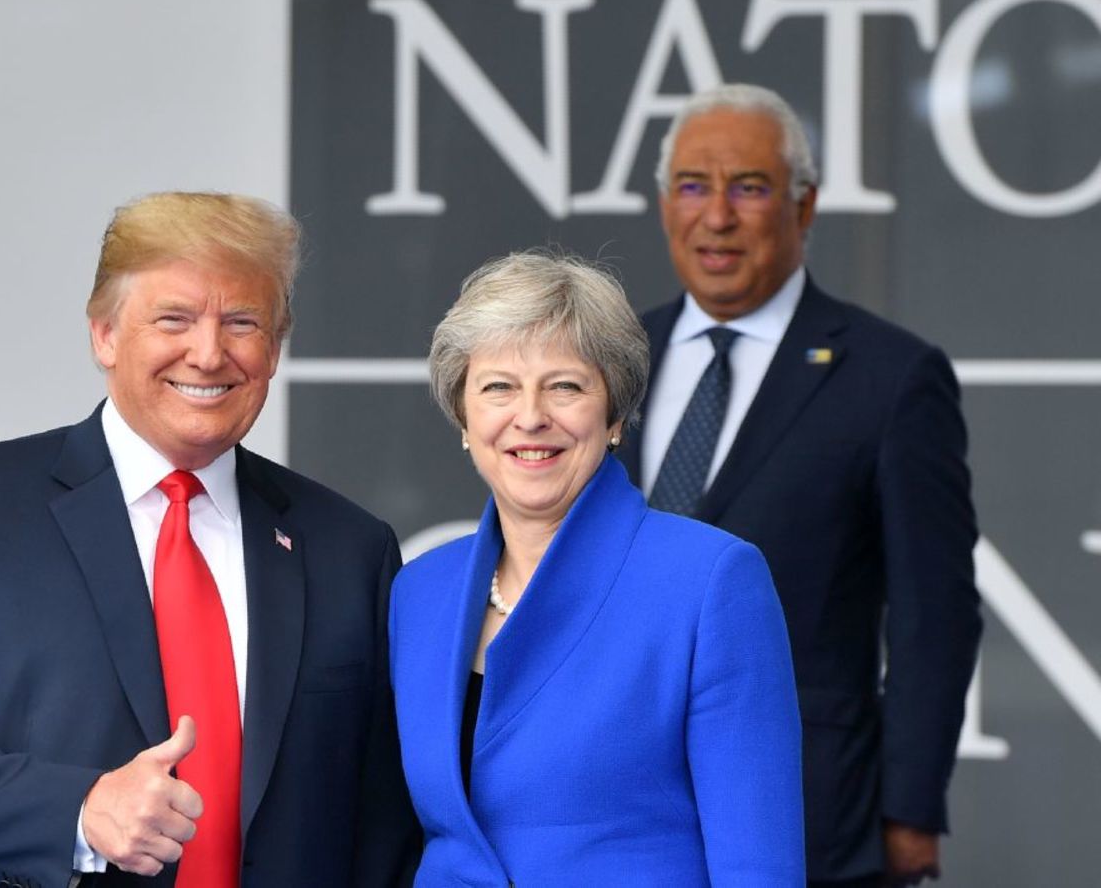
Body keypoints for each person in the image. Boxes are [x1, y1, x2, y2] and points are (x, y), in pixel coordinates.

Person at [0, 192, 420, 888]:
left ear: (273, 348)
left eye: (242, 322)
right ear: (105, 335)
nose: (208, 354)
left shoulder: (350, 548)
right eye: (174, 318)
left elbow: (383, 824)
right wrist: (80, 811)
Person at [617, 84, 982, 888]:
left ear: (804, 205)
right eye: (692, 186)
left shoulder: (891, 377)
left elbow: (936, 614)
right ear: (662, 202)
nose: (717, 217)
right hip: (618, 811)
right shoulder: (613, 357)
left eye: (748, 187)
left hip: (810, 817)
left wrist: (911, 810)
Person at [391, 250, 805, 886]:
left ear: (614, 416)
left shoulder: (710, 581)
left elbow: (758, 865)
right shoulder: (420, 591)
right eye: (498, 386)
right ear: (465, 418)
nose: (530, 417)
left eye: (565, 386)